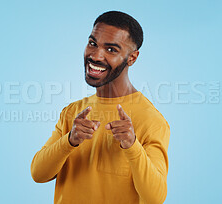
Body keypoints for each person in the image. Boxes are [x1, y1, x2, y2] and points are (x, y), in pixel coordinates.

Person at [31, 11, 170, 204]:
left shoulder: (150, 120)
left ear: (132, 58)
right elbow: (38, 174)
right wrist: (69, 141)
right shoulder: (73, 112)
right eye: (92, 43)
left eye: (111, 50)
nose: (96, 56)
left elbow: (155, 198)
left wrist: (132, 145)